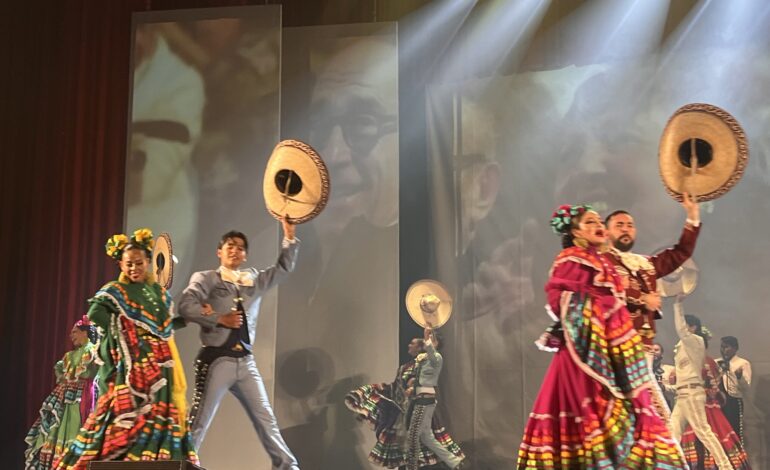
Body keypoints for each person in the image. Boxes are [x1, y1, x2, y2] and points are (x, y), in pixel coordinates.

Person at [517, 204, 685, 469]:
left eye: (598, 221)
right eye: (590, 221)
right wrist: (609, 308)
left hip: (619, 352)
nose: (598, 225)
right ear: (575, 231)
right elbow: (557, 300)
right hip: (585, 355)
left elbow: (676, 256)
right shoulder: (571, 259)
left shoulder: (605, 261)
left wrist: (693, 218)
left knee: (641, 414)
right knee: (593, 416)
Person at [54, 229, 197, 468]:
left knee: (160, 412)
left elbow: (162, 326)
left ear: (148, 262)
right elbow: (95, 314)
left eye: (139, 263)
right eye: (128, 264)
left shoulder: (158, 294)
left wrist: (189, 318)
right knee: (126, 409)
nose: (134, 269)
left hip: (162, 362)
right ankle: (121, 458)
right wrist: (123, 333)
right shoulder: (115, 291)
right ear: (120, 264)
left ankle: (154, 457)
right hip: (134, 361)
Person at [178, 220, 300, 469]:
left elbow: (282, 269)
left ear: (245, 255)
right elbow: (186, 305)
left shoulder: (251, 280)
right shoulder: (207, 278)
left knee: (266, 418)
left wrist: (289, 238)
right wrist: (218, 318)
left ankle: (287, 465)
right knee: (200, 419)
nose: (235, 251)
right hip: (217, 359)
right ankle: (183, 463)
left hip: (245, 361)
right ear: (219, 251)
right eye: (230, 246)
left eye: (241, 248)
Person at [604, 192, 701, 420]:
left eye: (630, 225)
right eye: (619, 225)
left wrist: (692, 216)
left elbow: (680, 253)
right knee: (656, 418)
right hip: (615, 348)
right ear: (606, 232)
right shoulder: (601, 262)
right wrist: (641, 297)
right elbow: (604, 290)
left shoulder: (645, 263)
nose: (626, 229)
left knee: (638, 416)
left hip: (643, 347)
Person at [345, 337, 464, 468]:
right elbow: (396, 388)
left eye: (412, 343)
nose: (408, 345)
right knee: (420, 440)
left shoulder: (427, 363)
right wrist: (370, 402)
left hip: (418, 407)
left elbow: (420, 380)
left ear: (420, 348)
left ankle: (444, 462)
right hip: (407, 411)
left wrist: (413, 388)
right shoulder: (406, 367)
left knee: (416, 440)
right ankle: (452, 461)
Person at [25, 317, 98, 469]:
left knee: (76, 428)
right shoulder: (69, 355)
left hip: (83, 395)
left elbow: (101, 368)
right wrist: (62, 378)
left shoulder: (92, 350)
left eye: (75, 332)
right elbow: (58, 367)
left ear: (85, 333)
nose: (71, 336)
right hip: (64, 396)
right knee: (56, 428)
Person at [669, 298, 734, 469]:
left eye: (687, 326)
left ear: (693, 328)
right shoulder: (681, 347)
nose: (683, 329)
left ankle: (725, 466)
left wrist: (677, 305)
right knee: (672, 434)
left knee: (703, 431)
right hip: (681, 395)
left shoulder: (695, 341)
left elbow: (681, 330)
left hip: (692, 393)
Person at [404, 328, 464, 470]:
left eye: (431, 339)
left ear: (435, 342)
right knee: (426, 437)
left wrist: (427, 336)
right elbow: (424, 378)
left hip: (425, 401)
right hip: (422, 399)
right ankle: (454, 461)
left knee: (413, 436)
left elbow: (430, 350)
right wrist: (413, 385)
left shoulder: (436, 357)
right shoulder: (425, 360)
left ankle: (411, 467)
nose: (428, 342)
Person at [679, 353, 751, 469]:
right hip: (692, 405)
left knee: (711, 436)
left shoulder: (708, 362)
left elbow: (714, 385)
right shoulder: (687, 360)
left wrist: (707, 392)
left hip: (707, 407)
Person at [716, 336, 752, 444]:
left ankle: (737, 459)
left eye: (726, 347)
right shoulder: (716, 362)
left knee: (734, 430)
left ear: (735, 348)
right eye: (722, 347)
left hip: (733, 401)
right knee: (718, 430)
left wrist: (738, 376)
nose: (723, 350)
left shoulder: (742, 363)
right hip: (717, 401)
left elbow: (746, 387)